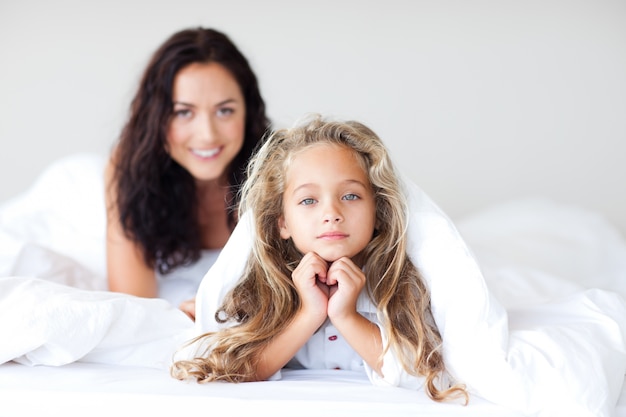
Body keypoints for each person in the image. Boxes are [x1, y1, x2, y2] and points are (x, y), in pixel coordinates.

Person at [171, 115, 468, 403]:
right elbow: (232, 371)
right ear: (282, 223)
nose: (332, 213)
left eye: (350, 196)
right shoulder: (259, 289)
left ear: (378, 213)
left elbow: (426, 375)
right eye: (308, 200)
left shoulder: (404, 284)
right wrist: (309, 313)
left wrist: (346, 315)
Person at [105, 27, 270, 320]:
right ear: (155, 118)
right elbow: (132, 303)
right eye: (183, 112)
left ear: (248, 111)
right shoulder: (130, 167)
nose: (207, 134)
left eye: (225, 111)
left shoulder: (276, 168)